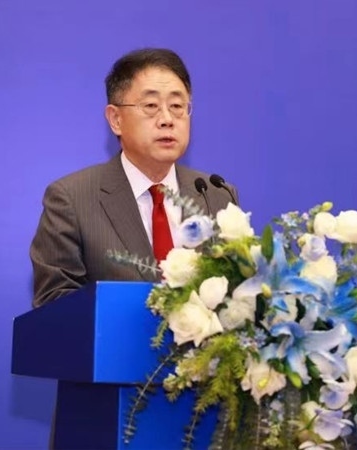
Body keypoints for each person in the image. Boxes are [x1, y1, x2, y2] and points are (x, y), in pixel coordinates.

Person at [29, 48, 239, 309]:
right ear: (115, 119)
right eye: (151, 106)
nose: (167, 119)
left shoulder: (216, 195)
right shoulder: (71, 200)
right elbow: (56, 307)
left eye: (177, 106)